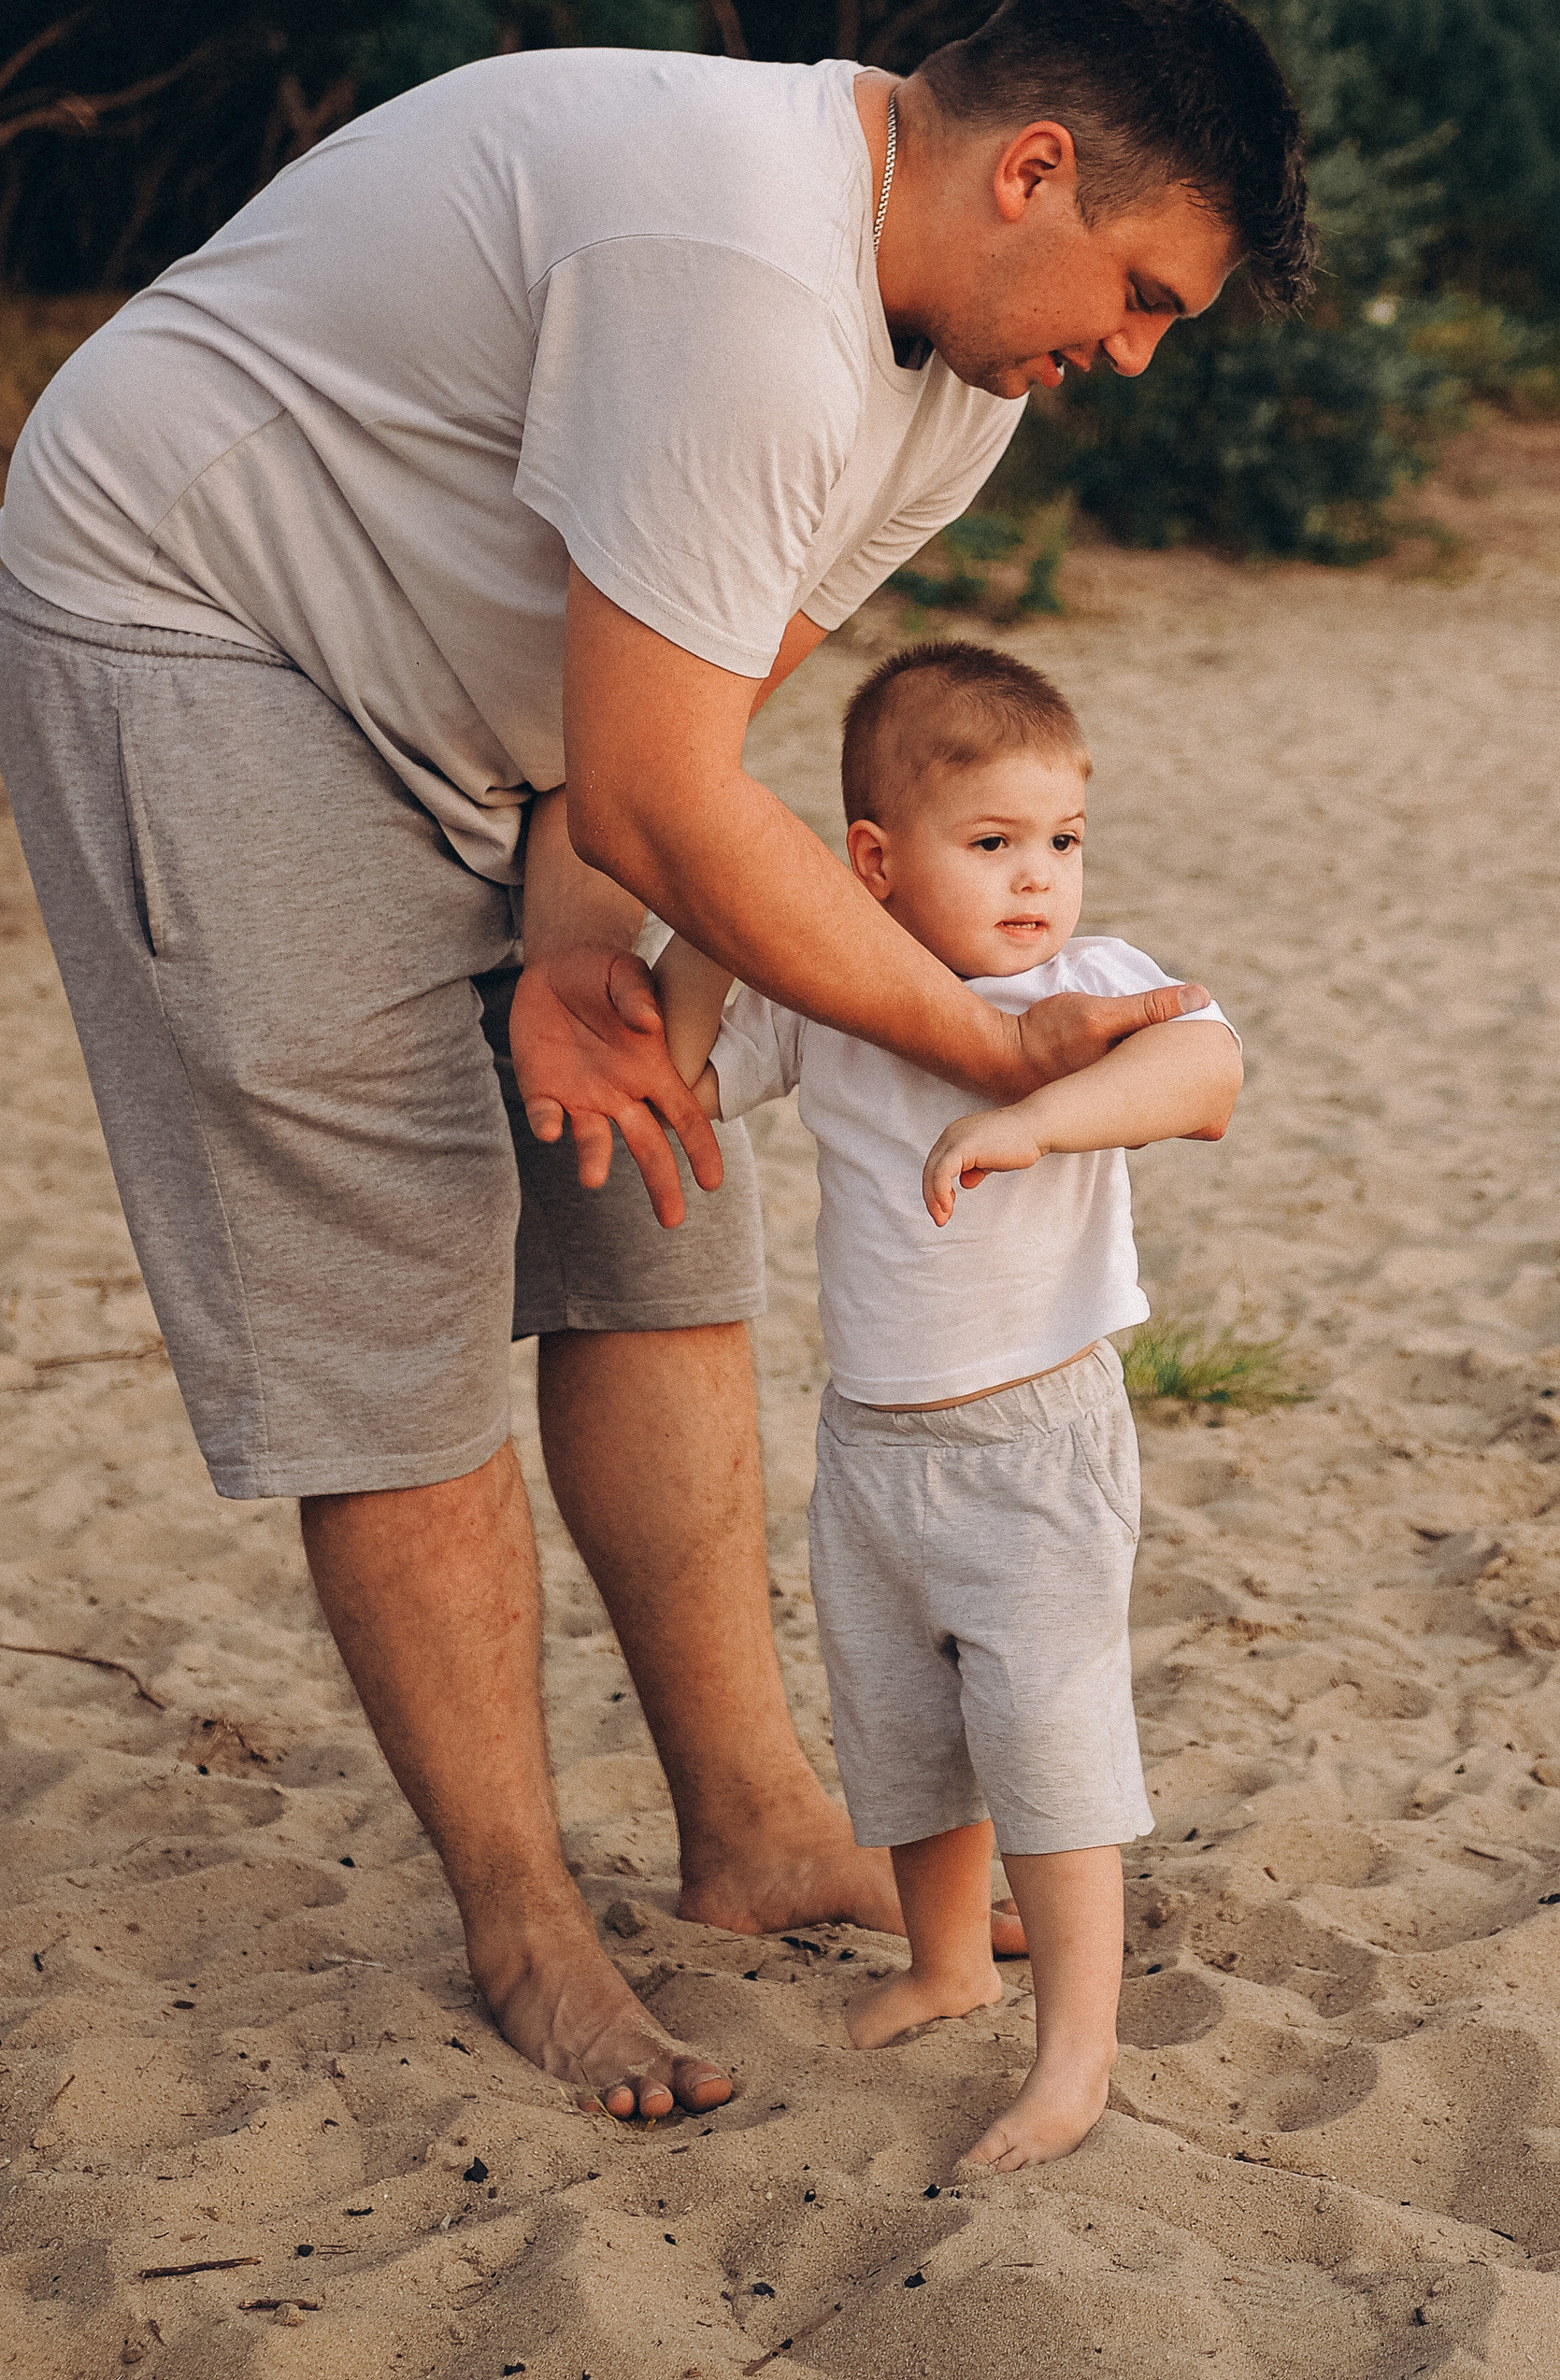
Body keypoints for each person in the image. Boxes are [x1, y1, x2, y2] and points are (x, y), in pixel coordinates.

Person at [0, 0, 1312, 2122]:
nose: (1135, 357)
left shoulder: (957, 386)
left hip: (489, 709)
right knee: (390, 1275)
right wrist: (986, 1051)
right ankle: (525, 1924)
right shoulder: (742, 273)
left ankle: (756, 1827)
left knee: (651, 1196)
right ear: (1036, 173)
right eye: (1143, 294)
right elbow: (681, 797)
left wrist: (580, 921)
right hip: (199, 627)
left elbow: (683, 725)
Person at [657, 643, 1242, 2169]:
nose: (1037, 878)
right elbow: (682, 1069)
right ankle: (943, 1960)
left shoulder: (1087, 982)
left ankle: (1076, 2053)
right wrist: (731, 898)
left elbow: (1208, 1072)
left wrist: (1037, 1114)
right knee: (902, 1722)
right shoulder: (836, 994)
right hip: (873, 1441)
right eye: (991, 844)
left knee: (1047, 1735)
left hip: (1035, 1439)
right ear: (874, 860)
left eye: (1061, 840)